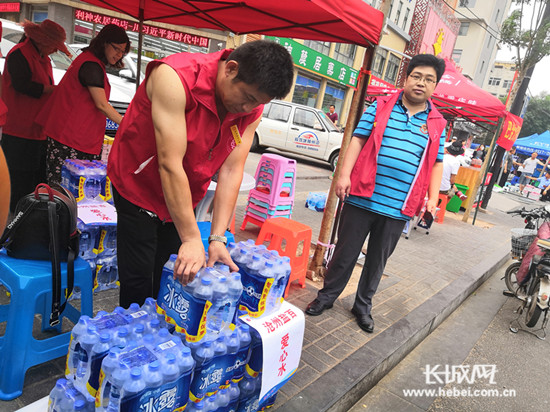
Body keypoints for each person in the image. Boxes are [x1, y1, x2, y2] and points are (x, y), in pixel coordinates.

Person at [108, 40, 294, 308]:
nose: (247, 109)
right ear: (230, 69)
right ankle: (132, 332)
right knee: (138, 276)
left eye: (257, 104)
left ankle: (164, 330)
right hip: (139, 182)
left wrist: (216, 237)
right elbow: (170, 163)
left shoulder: (252, 108)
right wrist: (193, 238)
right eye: (248, 98)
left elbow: (231, 169)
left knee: (173, 267)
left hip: (185, 192)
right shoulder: (175, 78)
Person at [305, 54, 447, 333]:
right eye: (417, 76)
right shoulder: (380, 106)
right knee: (346, 252)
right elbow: (357, 139)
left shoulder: (437, 122)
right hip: (361, 196)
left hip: (399, 206)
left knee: (377, 260)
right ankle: (326, 297)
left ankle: (362, 305)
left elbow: (437, 161)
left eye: (429, 79)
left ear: (435, 86)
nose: (421, 83)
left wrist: (433, 197)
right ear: (406, 78)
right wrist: (343, 174)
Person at [37, 24, 128, 185]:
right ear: (104, 43)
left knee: (73, 189)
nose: (119, 55)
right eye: (116, 49)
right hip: (70, 137)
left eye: (123, 51)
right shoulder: (90, 65)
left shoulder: (91, 61)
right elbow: (101, 104)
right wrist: (126, 124)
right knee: (64, 188)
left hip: (77, 136)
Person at [1, 19, 71, 212]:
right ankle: (13, 221)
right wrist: (52, 90)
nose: (56, 51)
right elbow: (22, 85)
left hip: (37, 129)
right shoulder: (19, 54)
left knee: (32, 178)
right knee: (17, 178)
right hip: (18, 128)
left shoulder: (44, 58)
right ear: (42, 41)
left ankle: (26, 217)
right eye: (54, 47)